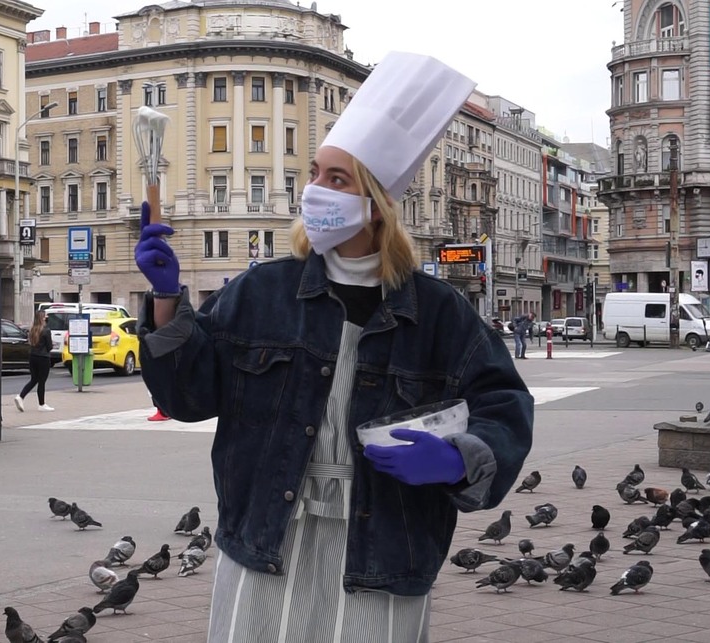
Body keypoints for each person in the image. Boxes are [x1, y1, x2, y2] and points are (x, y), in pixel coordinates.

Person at [134, 52, 533, 642]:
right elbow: (188, 396)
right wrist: (168, 301)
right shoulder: (261, 291)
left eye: (337, 179)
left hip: (383, 544)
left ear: (376, 205)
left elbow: (504, 405)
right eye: (316, 173)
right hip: (268, 532)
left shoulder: (437, 311)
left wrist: (459, 458)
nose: (316, 189)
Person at [14, 310, 55, 412]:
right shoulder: (46, 330)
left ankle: (21, 396)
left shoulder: (32, 329)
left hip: (33, 357)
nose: (47, 317)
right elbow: (49, 347)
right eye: (46, 316)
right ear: (42, 318)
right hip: (43, 358)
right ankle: (41, 404)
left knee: (34, 379)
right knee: (42, 381)